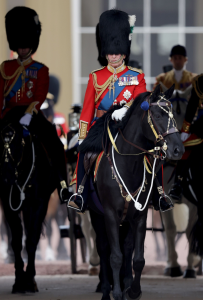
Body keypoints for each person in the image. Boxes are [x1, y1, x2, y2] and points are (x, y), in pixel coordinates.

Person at [68, 9, 146, 213]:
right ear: (105, 52)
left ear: (124, 51)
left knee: (152, 152)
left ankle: (159, 192)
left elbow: (143, 104)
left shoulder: (137, 76)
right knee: (84, 153)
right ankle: (80, 193)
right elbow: (87, 110)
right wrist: (83, 136)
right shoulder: (96, 77)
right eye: (110, 52)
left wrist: (127, 110)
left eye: (117, 52)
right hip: (101, 126)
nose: (113, 56)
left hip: (128, 126)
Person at [0, 7, 69, 202]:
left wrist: (30, 113)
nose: (22, 48)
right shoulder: (5, 68)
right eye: (19, 44)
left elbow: (39, 96)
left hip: (31, 114)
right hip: (9, 115)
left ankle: (63, 185)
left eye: (26, 44)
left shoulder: (40, 69)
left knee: (54, 144)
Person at [169, 33, 203, 201]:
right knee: (185, 147)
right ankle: (178, 184)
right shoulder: (202, 81)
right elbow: (192, 105)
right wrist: (185, 129)